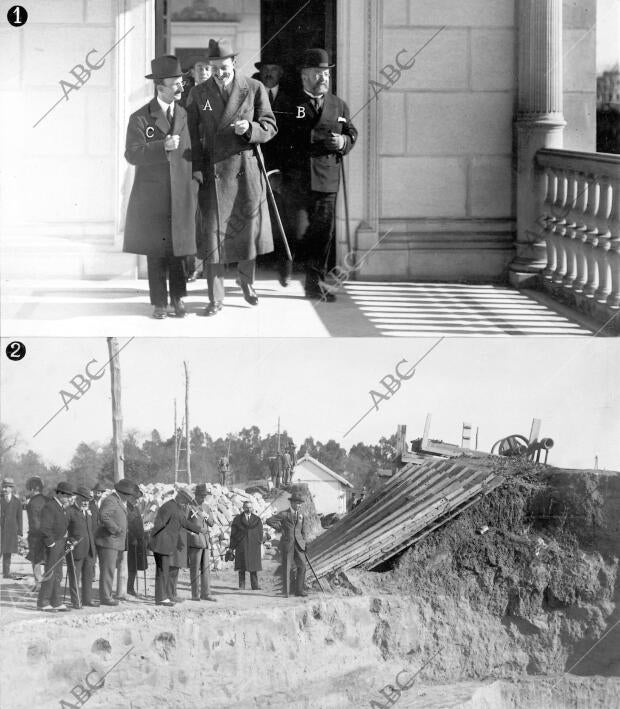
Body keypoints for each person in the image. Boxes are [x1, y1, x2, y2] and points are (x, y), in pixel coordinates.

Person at [187, 38, 277, 316]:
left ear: (234, 64)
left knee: (246, 232)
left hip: (245, 170)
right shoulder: (199, 93)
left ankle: (246, 282)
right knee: (214, 235)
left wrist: (249, 129)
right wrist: (197, 169)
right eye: (214, 69)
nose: (219, 74)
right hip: (214, 172)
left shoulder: (254, 87)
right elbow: (192, 135)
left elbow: (270, 126)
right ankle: (216, 298)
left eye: (223, 68)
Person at [123, 54, 198, 320]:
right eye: (176, 83)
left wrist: (195, 183)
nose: (181, 87)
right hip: (152, 198)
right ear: (160, 86)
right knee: (156, 251)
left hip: (180, 195)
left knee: (179, 249)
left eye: (181, 82)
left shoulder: (185, 114)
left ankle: (178, 299)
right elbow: (132, 154)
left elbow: (192, 153)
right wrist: (161, 147)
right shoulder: (140, 117)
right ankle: (159, 303)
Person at [282, 48, 358, 300]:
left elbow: (352, 132)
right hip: (297, 178)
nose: (323, 77)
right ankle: (288, 265)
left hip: (327, 177)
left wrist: (344, 142)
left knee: (323, 232)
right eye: (317, 73)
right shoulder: (288, 103)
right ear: (305, 76)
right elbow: (279, 141)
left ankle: (315, 282)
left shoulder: (339, 105)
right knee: (297, 230)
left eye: (326, 73)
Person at [255, 51, 296, 286]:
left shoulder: (291, 100)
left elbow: (293, 138)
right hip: (257, 167)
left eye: (274, 70)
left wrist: (279, 171)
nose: (269, 74)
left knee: (284, 222)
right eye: (265, 70)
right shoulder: (253, 96)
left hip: (282, 171)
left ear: (280, 73)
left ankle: (285, 268)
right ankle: (256, 266)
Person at [149, 489, 201, 607]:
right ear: (180, 498)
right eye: (184, 502)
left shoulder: (176, 508)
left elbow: (183, 522)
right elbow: (159, 525)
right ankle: (161, 598)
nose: (185, 504)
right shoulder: (168, 507)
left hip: (167, 544)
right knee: (162, 572)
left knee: (165, 571)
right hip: (162, 544)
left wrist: (198, 530)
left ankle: (165, 597)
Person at [37, 482, 74, 612]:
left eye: (70, 495)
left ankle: (56, 601)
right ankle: (43, 602)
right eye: (66, 495)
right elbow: (44, 528)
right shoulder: (50, 507)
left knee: (58, 574)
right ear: (58, 494)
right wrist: (51, 544)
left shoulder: (63, 507)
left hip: (60, 543)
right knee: (50, 573)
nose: (69, 498)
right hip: (52, 545)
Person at [95, 479, 133, 606]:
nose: (129, 497)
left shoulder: (118, 501)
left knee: (110, 569)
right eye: (128, 494)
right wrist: (116, 529)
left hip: (114, 542)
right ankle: (105, 597)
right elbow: (103, 516)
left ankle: (107, 595)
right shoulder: (111, 500)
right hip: (108, 541)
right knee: (108, 570)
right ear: (122, 492)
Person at [267, 493, 308, 598]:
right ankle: (286, 592)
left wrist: (304, 543)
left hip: (299, 545)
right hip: (287, 544)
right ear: (292, 503)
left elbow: (303, 531)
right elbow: (269, 521)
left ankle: (299, 590)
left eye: (300, 504)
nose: (299, 505)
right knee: (287, 567)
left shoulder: (301, 515)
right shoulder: (284, 514)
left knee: (302, 566)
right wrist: (280, 528)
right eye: (297, 503)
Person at [66, 487, 97, 608]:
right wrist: (70, 541)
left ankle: (87, 599)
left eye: (87, 500)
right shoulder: (69, 511)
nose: (85, 502)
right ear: (77, 498)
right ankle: (76, 601)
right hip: (76, 550)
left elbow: (90, 531)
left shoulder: (87, 512)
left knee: (88, 577)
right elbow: (63, 530)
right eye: (83, 500)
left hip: (89, 550)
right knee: (75, 577)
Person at [187, 483, 216, 602]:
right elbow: (183, 523)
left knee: (206, 569)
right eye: (201, 496)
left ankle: (206, 593)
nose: (203, 498)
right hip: (194, 541)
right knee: (194, 569)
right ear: (196, 495)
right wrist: (190, 533)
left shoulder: (206, 507)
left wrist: (206, 517)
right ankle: (195, 594)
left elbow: (212, 523)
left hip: (205, 542)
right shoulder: (189, 507)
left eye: (204, 496)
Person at [230, 500, 263, 590]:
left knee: (253, 567)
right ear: (243, 508)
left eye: (250, 507)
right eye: (246, 507)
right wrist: (231, 547)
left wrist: (259, 541)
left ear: (252, 508)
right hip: (241, 545)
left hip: (253, 546)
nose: (248, 509)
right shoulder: (237, 519)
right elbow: (233, 534)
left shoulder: (257, 519)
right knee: (241, 567)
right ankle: (242, 586)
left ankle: (255, 586)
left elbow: (260, 532)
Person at [126, 483, 147, 597]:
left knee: (134, 566)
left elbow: (138, 523)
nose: (137, 500)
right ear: (130, 497)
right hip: (130, 541)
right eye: (135, 498)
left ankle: (131, 587)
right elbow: (127, 525)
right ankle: (128, 588)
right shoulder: (127, 508)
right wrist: (132, 538)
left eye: (138, 498)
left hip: (138, 541)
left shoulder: (136, 507)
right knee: (130, 566)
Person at [25, 476, 47, 583]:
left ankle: (38, 584)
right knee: (48, 561)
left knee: (36, 561)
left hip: (36, 536)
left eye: (30, 488)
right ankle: (47, 585)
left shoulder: (31, 503)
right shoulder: (47, 500)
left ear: (33, 489)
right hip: (48, 535)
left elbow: (34, 523)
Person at [1, 478, 23, 579]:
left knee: (7, 552)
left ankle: (6, 573)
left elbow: (20, 518)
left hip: (11, 531)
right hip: (0, 530)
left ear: (11, 488)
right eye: (3, 487)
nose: (4, 489)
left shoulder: (17, 501)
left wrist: (20, 532)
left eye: (7, 487)